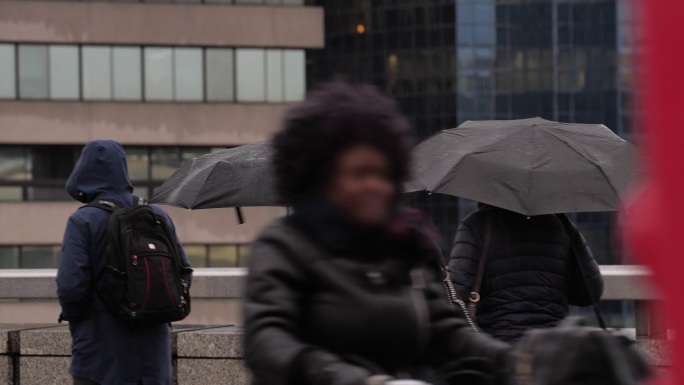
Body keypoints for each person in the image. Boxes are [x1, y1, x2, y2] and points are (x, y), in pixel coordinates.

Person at [243, 81, 512, 385]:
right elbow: (267, 340)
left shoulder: (406, 244)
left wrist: (519, 361)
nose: (375, 186)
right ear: (320, 177)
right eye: (360, 174)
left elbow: (447, 333)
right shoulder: (284, 243)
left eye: (384, 175)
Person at [56, 140, 191, 385]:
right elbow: (184, 273)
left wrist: (81, 321)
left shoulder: (83, 221)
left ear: (83, 172)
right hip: (155, 362)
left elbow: (70, 287)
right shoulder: (157, 214)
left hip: (100, 360)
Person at [449, 203, 604, 343]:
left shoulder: (476, 225)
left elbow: (456, 296)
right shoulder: (561, 224)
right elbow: (590, 291)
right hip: (554, 348)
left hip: (498, 348)